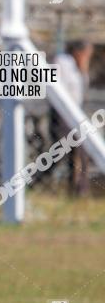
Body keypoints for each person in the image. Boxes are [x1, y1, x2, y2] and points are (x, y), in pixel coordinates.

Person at [54, 40, 94, 196]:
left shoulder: (79, 68)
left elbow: (81, 92)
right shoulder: (63, 62)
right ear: (78, 52)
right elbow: (60, 90)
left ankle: (79, 189)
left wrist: (83, 69)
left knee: (82, 152)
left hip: (75, 115)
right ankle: (40, 180)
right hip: (62, 114)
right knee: (59, 152)